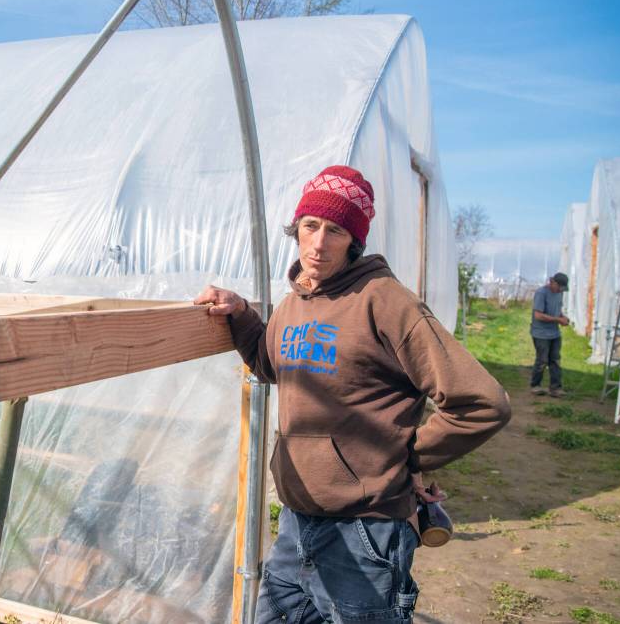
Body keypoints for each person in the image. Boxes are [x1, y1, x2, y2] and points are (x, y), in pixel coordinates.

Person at [194, 165, 511, 624]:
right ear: (296, 230)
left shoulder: (385, 301)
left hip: (366, 529)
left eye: (336, 230)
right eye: (310, 226)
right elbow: (270, 365)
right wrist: (241, 313)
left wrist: (408, 457)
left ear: (354, 240)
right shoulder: (293, 303)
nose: (319, 243)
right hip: (297, 520)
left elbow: (482, 403)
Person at [529, 273, 569, 397]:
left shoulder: (559, 294)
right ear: (553, 282)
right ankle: (535, 385)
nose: (560, 291)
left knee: (555, 361)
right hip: (540, 333)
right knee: (542, 360)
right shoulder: (541, 293)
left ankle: (555, 388)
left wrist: (562, 317)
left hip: (554, 333)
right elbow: (538, 315)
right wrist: (558, 320)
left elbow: (557, 310)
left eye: (563, 289)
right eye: (559, 288)